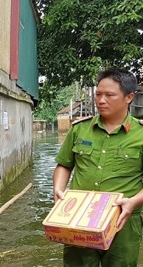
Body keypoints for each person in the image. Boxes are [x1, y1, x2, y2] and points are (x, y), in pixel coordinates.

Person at [53, 68, 143, 267]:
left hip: (122, 220)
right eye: (98, 94)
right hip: (79, 217)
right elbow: (64, 165)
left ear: (129, 97)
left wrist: (134, 201)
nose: (101, 100)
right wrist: (58, 189)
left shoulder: (141, 134)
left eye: (109, 95)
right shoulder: (80, 129)